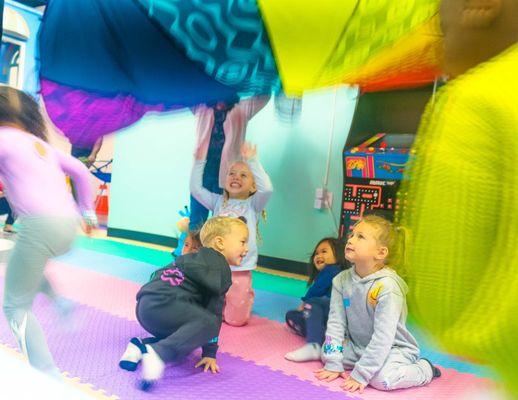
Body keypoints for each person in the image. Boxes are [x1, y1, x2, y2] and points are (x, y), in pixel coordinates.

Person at [396, 0, 518, 394]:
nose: (436, 37)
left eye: (439, 22)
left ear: (481, 5)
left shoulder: (478, 98)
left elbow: (443, 297)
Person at [0, 86, 97, 377]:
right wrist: (88, 210)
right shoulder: (40, 145)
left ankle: (46, 373)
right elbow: (80, 171)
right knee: (24, 265)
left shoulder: (3, 138)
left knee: (15, 305)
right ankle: (60, 302)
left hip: (39, 226)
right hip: (68, 227)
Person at [118, 216, 248, 390]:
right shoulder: (220, 267)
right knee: (206, 324)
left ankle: (140, 347)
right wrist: (210, 353)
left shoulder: (190, 258)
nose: (246, 249)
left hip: (145, 306)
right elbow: (214, 313)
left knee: (185, 337)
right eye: (243, 242)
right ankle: (158, 353)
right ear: (220, 243)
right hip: (167, 305)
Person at [315, 216, 440, 393]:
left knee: (381, 380)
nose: (350, 239)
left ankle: (425, 369)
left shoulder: (388, 287)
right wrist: (333, 363)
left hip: (393, 348)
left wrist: (361, 374)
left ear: (381, 253)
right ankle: (359, 363)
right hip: (359, 346)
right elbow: (336, 323)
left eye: (360, 237)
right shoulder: (340, 281)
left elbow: (384, 337)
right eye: (352, 235)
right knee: (327, 354)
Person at [190, 142, 273, 326]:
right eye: (232, 173)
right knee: (206, 312)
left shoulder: (254, 205)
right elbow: (196, 189)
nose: (236, 177)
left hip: (240, 270)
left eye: (244, 175)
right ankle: (220, 301)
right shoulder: (218, 202)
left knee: (236, 321)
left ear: (253, 187)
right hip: (213, 268)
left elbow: (267, 188)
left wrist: (252, 160)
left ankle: (245, 296)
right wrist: (198, 162)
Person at [189, 96, 270, 231]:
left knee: (222, 223)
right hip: (202, 173)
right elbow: (186, 95)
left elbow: (264, 96)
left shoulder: (241, 109)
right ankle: (191, 249)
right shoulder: (201, 107)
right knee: (197, 219)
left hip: (227, 178)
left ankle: (218, 251)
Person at [284, 237, 347, 362]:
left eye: (324, 251)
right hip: (328, 316)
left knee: (312, 304)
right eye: (316, 253)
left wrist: (304, 302)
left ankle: (314, 345)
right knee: (292, 315)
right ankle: (321, 335)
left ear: (339, 254)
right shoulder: (332, 272)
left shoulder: (333, 270)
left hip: (335, 313)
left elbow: (315, 290)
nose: (318, 255)